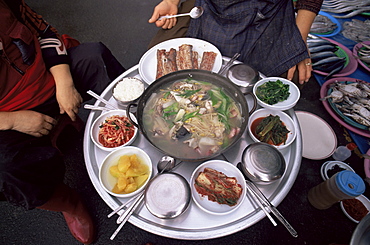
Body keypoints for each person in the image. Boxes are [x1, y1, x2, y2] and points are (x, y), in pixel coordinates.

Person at [0, 0, 125, 244]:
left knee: (94, 56)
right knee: (7, 169)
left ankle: (125, 132)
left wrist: (64, 81)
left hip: (49, 75)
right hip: (8, 112)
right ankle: (70, 203)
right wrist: (12, 120)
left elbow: (44, 31)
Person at [148, 0, 323, 85]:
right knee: (160, 65)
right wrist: (172, 1)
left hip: (266, 12)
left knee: (274, 85)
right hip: (208, 6)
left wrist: (297, 39)